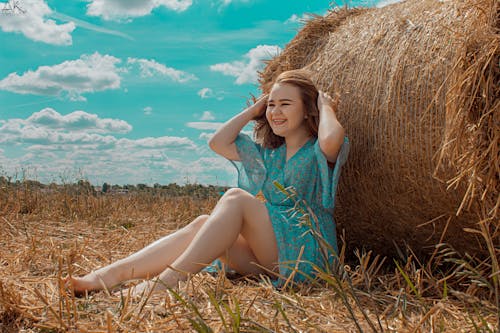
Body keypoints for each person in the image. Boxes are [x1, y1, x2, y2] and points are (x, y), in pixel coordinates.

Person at [66, 69, 348, 297]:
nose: (275, 112)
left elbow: (331, 139)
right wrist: (255, 111)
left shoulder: (316, 151)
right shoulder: (269, 156)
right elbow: (217, 142)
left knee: (236, 198)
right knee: (203, 223)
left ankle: (162, 286)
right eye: (272, 104)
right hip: (272, 255)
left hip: (307, 253)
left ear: (308, 109)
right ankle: (108, 276)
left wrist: (325, 107)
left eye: (285, 104)